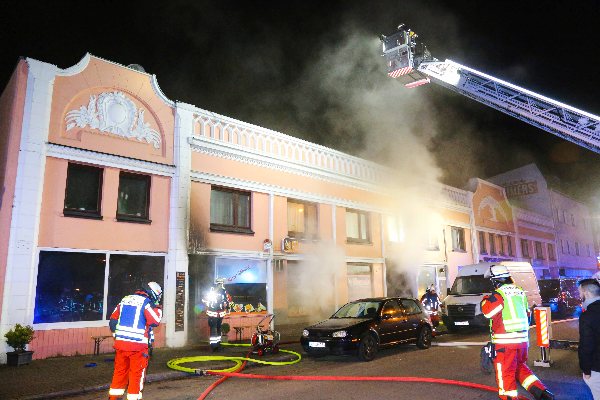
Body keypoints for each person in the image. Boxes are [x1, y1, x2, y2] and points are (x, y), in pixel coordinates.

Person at [480, 265, 554, 400]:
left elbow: (487, 312)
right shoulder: (520, 292)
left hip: (505, 344)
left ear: (495, 280)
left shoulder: (499, 295)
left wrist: (485, 299)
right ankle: (543, 394)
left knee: (505, 374)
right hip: (522, 342)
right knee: (520, 368)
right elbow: (527, 314)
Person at [108, 282, 163, 400]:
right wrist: (157, 307)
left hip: (121, 346)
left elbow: (112, 321)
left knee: (119, 373)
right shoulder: (146, 303)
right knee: (136, 375)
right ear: (153, 293)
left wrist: (118, 337)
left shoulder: (125, 300)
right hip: (137, 348)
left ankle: (114, 398)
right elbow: (155, 321)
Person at [578, 278, 600, 399]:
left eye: (580, 293)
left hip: (597, 368)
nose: (579, 296)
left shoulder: (587, 316)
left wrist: (586, 370)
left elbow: (587, 346)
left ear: (586, 293)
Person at [202, 278, 231, 351]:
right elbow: (227, 301)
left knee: (215, 328)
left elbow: (205, 300)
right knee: (216, 328)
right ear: (221, 283)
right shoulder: (222, 291)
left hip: (215, 314)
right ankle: (216, 345)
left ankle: (215, 345)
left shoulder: (214, 291)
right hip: (218, 314)